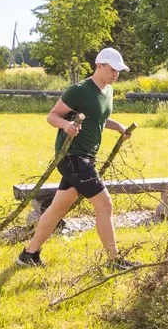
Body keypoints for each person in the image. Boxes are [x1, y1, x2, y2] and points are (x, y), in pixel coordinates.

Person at [18, 47, 139, 269]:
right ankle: (114, 260)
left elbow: (100, 118)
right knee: (105, 205)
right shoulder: (79, 90)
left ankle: (28, 254)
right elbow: (52, 116)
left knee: (57, 209)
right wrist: (66, 125)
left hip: (86, 157)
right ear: (99, 66)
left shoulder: (108, 91)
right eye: (112, 69)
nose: (116, 74)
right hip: (73, 157)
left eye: (119, 71)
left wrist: (119, 127)